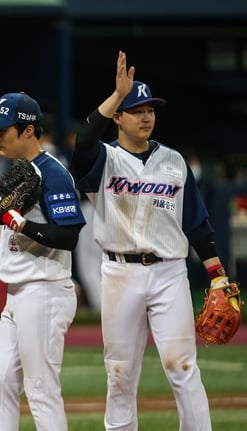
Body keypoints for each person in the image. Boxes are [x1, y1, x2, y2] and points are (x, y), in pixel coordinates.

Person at [69, 51, 231, 430]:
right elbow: (82, 141)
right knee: (120, 374)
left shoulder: (174, 162)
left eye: (150, 110)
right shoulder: (103, 159)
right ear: (118, 118)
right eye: (136, 109)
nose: (146, 116)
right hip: (119, 274)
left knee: (182, 365)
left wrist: (218, 275)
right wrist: (115, 94)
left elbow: (198, 227)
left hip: (169, 273)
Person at [0, 91, 86, 431]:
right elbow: (11, 242)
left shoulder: (52, 173)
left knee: (41, 390)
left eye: (4, 128)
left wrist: (23, 222)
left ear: (28, 130)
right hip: (18, 293)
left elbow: (69, 236)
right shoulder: (18, 172)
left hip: (45, 291)